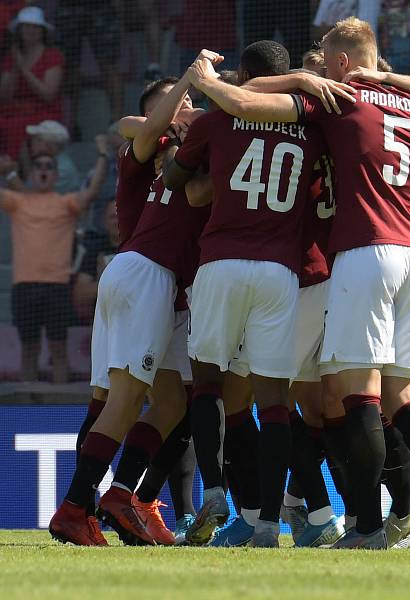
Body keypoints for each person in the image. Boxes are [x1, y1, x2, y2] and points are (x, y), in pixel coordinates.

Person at [185, 16, 410, 551]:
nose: (316, 66)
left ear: (342, 64)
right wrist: (399, 85)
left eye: (323, 57)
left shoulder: (337, 102)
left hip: (355, 259)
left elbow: (247, 103)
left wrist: (207, 82)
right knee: (402, 397)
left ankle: (361, 524)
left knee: (348, 400)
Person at [163, 41, 339, 548]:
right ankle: (266, 524)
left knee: (208, 383)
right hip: (280, 272)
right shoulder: (308, 129)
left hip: (220, 262)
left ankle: (215, 490)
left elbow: (176, 180)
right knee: (273, 402)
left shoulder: (215, 120)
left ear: (244, 74)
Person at [48, 70, 208, 546]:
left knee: (174, 400)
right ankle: (76, 508)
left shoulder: (179, 150)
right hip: (145, 274)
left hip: (155, 281)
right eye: (174, 107)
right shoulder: (152, 147)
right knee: (118, 401)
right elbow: (129, 124)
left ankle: (124, 495)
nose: (183, 112)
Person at [0, 135, 108, 384]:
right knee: (28, 352)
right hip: (24, 286)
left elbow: (91, 191)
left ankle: (60, 410)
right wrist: (6, 170)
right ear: (32, 172)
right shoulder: (18, 201)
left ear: (56, 175)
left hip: (57, 286)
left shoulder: (65, 203)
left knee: (59, 351)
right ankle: (24, 414)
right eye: (39, 166)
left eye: (49, 166)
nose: (44, 170)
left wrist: (103, 154)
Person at [0, 6, 64, 158]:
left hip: (43, 112)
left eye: (36, 27)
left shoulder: (52, 55)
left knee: (17, 127)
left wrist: (24, 70)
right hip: (13, 110)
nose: (31, 30)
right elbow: (4, 96)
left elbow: (48, 95)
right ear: (19, 30)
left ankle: (19, 173)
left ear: (43, 31)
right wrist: (15, 68)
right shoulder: (12, 57)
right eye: (27, 26)